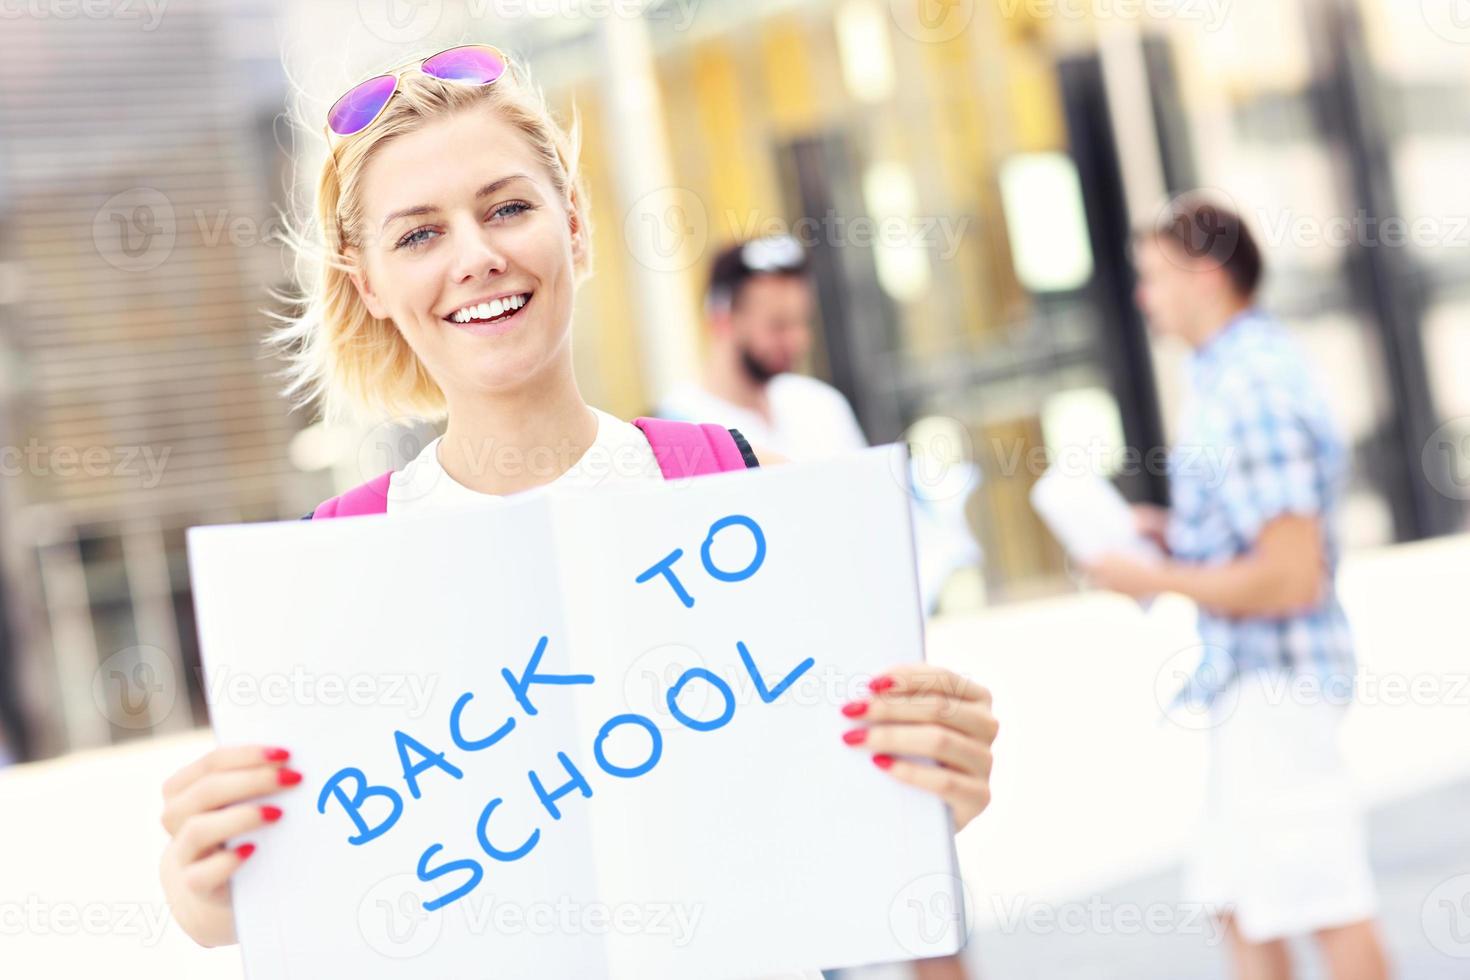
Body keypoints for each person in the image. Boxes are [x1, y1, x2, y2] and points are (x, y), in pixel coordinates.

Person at [155, 45, 998, 974]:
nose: (476, 256)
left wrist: (935, 786)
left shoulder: (749, 490)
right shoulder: (333, 566)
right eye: (419, 234)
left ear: (578, 228)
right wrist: (207, 886)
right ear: (370, 286)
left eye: (507, 208)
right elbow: (276, 901)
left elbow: (875, 829)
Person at [1085, 195, 1390, 980]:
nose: (1143, 297)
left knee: (1324, 903)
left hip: (1276, 688)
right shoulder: (1229, 373)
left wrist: (1152, 576)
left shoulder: (1250, 383)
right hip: (1250, 686)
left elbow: (1291, 575)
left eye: (1154, 277)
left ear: (1209, 275)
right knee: (1239, 898)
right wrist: (1174, 536)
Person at [662, 237, 982, 613]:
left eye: (802, 322)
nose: (797, 339)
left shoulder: (820, 405)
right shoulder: (678, 427)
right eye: (778, 325)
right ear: (722, 320)